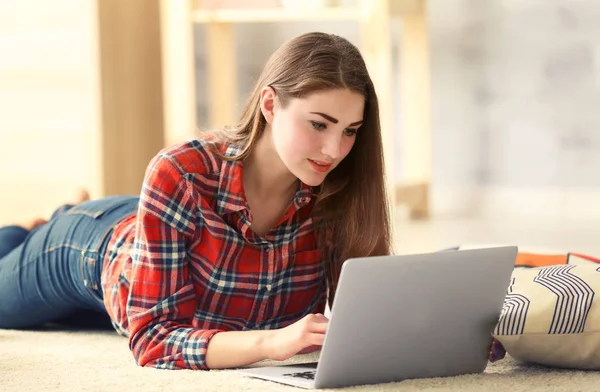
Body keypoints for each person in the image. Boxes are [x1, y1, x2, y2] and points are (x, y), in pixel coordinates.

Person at [0, 32, 504, 370]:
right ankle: (48, 221)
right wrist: (274, 342)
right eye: (318, 124)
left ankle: (56, 211)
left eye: (350, 130)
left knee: (78, 325)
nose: (335, 149)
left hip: (159, 262)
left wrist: (442, 334)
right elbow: (153, 340)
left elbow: (365, 317)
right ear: (269, 104)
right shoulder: (181, 172)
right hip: (89, 251)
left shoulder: (339, 187)